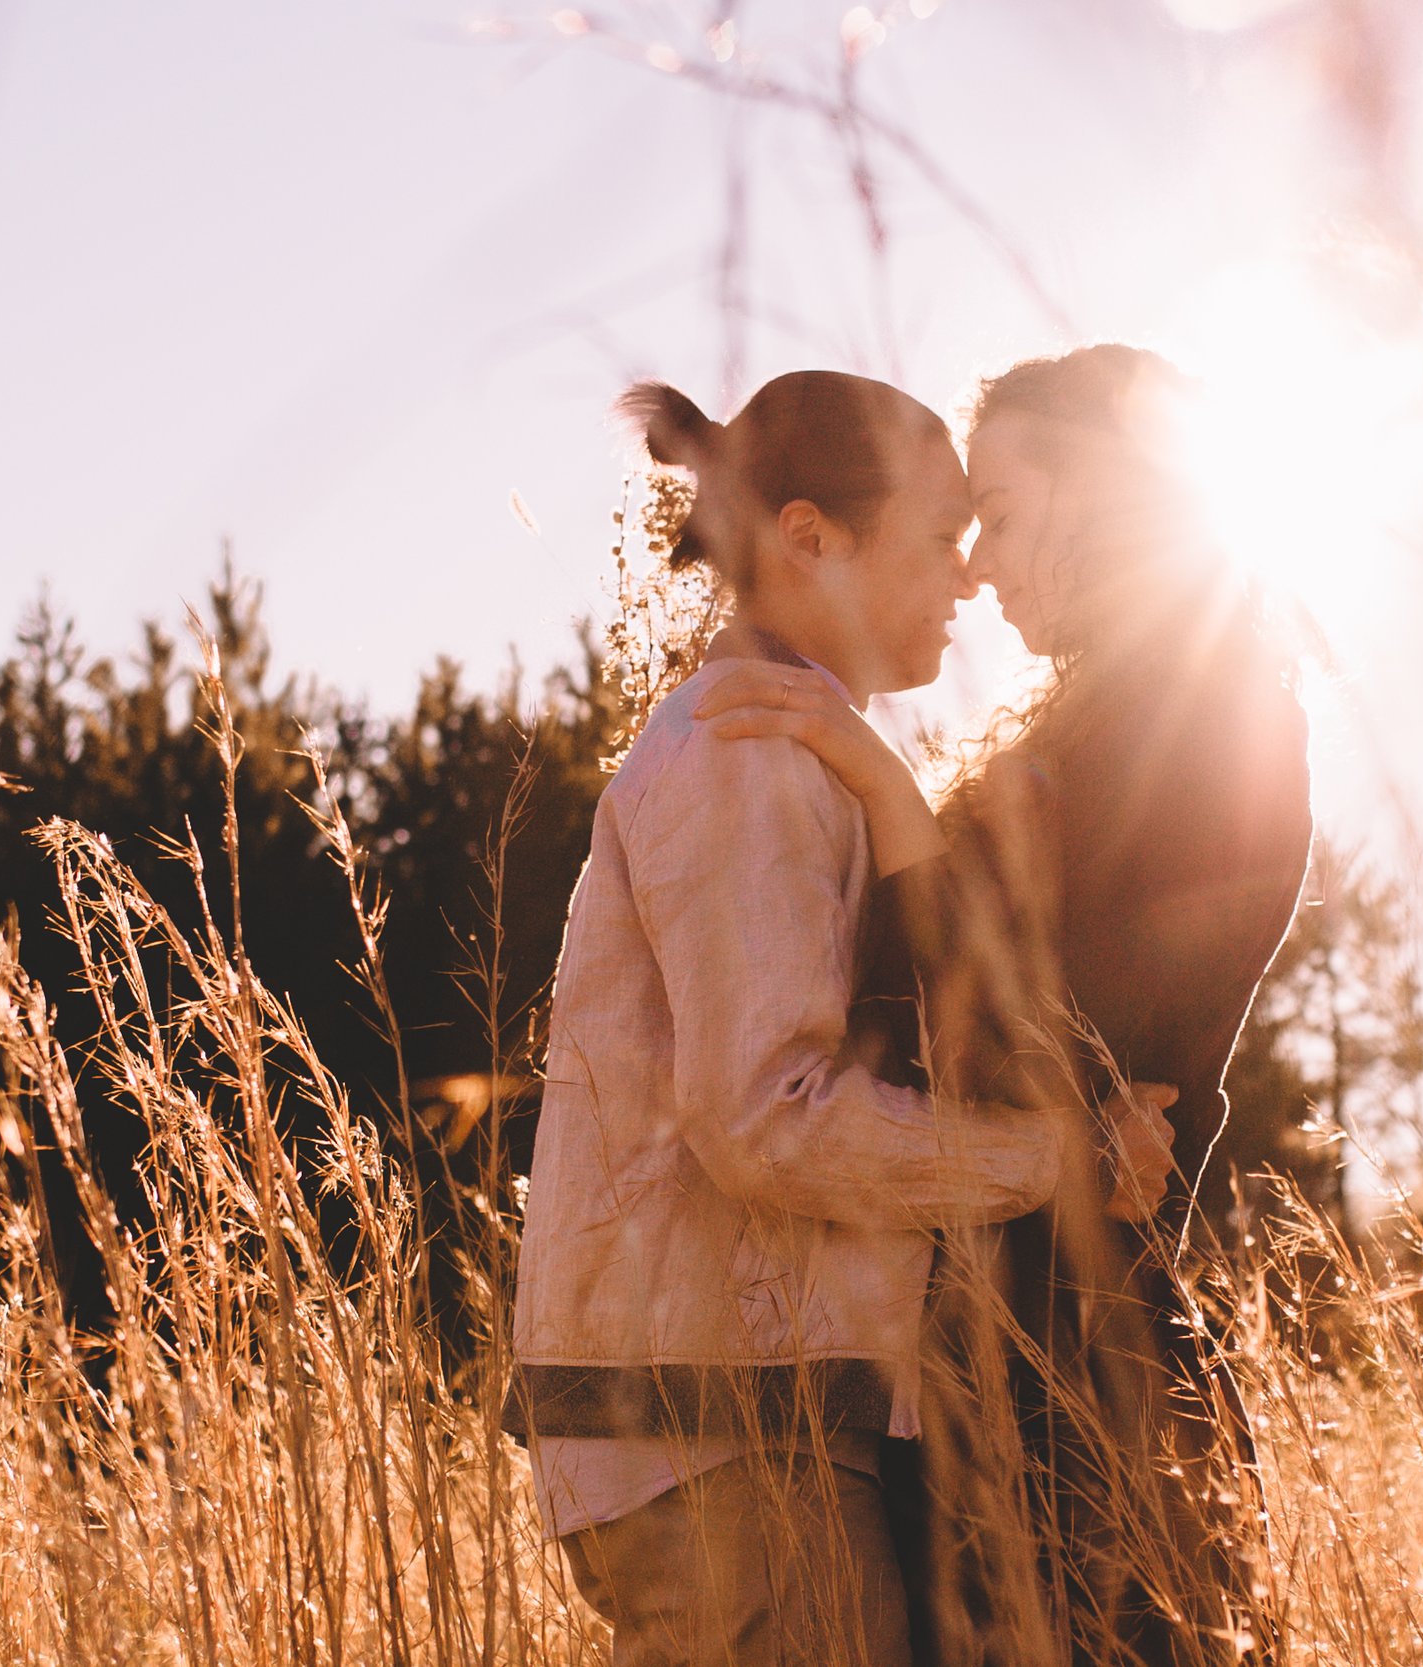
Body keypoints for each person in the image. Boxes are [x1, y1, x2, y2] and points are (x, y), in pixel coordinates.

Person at [504, 368, 1177, 1667]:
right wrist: (1058, 1166)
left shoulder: (793, 750)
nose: (969, 576)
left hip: (747, 1426)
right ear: (810, 540)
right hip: (719, 1444)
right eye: (938, 533)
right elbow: (768, 1119)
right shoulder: (751, 754)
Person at [697, 344, 1314, 1666]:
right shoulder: (1093, 729)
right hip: (998, 1382)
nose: (973, 564)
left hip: (1089, 1404)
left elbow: (1008, 1037)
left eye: (1003, 514)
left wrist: (878, 784)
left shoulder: (1215, 724)